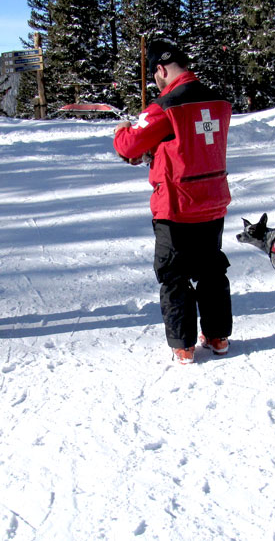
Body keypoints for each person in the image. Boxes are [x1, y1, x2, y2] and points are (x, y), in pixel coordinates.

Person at [113, 39, 233, 364]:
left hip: (176, 207)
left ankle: (184, 346)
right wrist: (157, 150)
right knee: (211, 270)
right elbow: (189, 144)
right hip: (212, 201)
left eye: (155, 77)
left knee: (173, 275)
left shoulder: (165, 105)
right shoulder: (218, 101)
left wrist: (123, 129)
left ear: (161, 70)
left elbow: (128, 145)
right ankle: (218, 336)